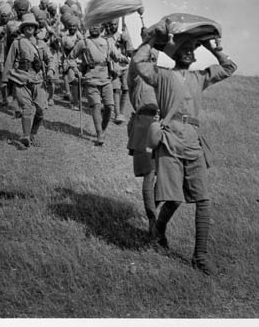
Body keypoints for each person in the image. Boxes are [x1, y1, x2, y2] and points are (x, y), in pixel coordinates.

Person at [132, 27, 237, 275]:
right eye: (184, 49)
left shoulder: (200, 77)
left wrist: (214, 48)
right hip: (169, 141)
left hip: (193, 142)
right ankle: (158, 230)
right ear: (174, 52)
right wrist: (151, 41)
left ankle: (199, 256)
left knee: (203, 200)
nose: (189, 53)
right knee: (174, 198)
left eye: (192, 49)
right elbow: (138, 62)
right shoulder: (161, 75)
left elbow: (230, 68)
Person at [68, 24, 129, 145]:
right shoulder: (83, 42)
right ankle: (99, 134)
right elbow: (70, 58)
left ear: (101, 28)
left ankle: (103, 129)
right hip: (90, 79)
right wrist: (77, 71)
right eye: (92, 26)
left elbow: (116, 55)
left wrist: (124, 58)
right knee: (96, 105)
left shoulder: (107, 42)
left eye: (97, 26)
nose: (94, 28)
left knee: (109, 107)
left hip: (106, 79)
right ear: (88, 28)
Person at [126, 34, 159, 235]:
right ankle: (152, 221)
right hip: (144, 126)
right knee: (150, 174)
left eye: (154, 58)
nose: (150, 61)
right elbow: (136, 63)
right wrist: (149, 41)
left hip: (162, 126)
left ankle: (156, 218)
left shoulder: (159, 76)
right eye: (148, 58)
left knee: (163, 176)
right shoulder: (136, 75)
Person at [2, 13, 50, 148]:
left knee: (40, 110)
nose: (29, 28)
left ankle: (33, 134)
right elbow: (9, 61)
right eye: (26, 26)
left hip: (38, 80)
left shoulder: (41, 44)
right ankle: (26, 136)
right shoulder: (17, 43)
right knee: (26, 108)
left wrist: (51, 71)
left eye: (32, 26)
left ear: (35, 28)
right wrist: (5, 80)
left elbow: (50, 59)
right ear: (22, 28)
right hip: (21, 79)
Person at [104, 18, 134, 124]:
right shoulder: (106, 38)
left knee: (125, 89)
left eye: (115, 24)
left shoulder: (123, 36)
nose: (112, 27)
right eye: (111, 24)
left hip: (124, 66)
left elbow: (130, 50)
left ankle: (121, 112)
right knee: (116, 89)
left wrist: (127, 40)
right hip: (114, 67)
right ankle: (117, 114)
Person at [60, 14, 84, 110]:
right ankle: (75, 103)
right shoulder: (65, 38)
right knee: (74, 82)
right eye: (70, 26)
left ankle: (79, 101)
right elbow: (63, 51)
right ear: (67, 27)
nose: (72, 28)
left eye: (74, 26)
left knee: (80, 82)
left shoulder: (80, 37)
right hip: (70, 61)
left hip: (80, 61)